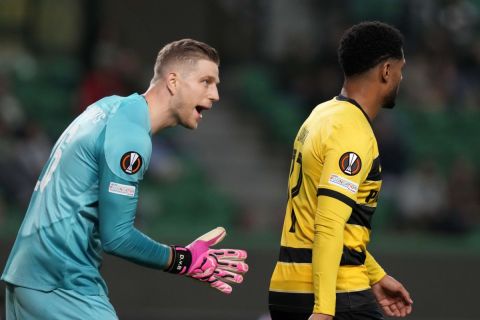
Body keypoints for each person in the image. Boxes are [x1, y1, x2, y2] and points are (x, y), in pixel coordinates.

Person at [2, 39, 248, 320]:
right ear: (173, 81)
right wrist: (183, 260)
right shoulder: (130, 136)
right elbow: (117, 237)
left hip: (30, 278)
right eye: (206, 81)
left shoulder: (110, 108)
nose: (215, 94)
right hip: (61, 285)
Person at [268, 21, 413, 320]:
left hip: (287, 288)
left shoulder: (320, 115)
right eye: (401, 69)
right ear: (386, 71)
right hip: (337, 295)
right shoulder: (351, 131)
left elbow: (314, 214)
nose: (401, 77)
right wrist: (324, 310)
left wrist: (373, 273)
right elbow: (328, 224)